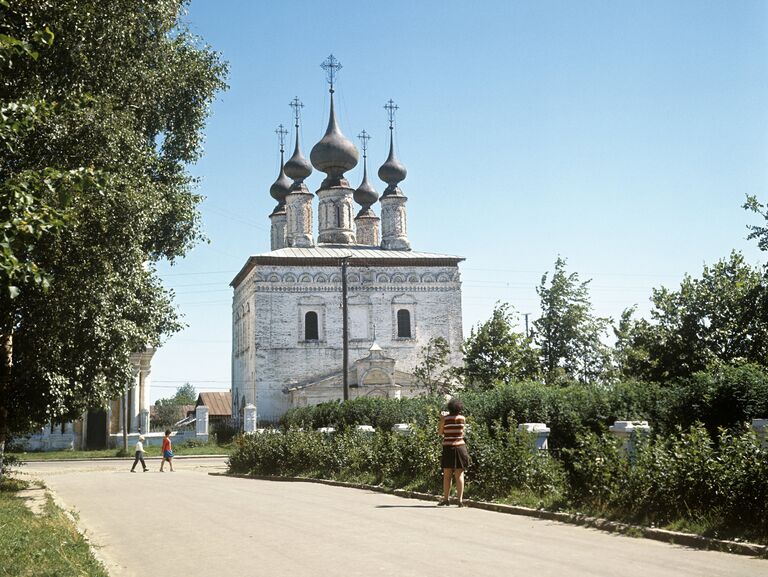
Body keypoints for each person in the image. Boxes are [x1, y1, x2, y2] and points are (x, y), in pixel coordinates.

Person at [437, 398, 470, 507]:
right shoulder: (462, 418)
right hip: (460, 447)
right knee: (460, 475)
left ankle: (446, 499)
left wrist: (442, 418)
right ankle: (460, 500)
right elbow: (462, 432)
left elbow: (440, 432)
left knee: (447, 475)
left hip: (448, 447)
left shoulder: (445, 419)